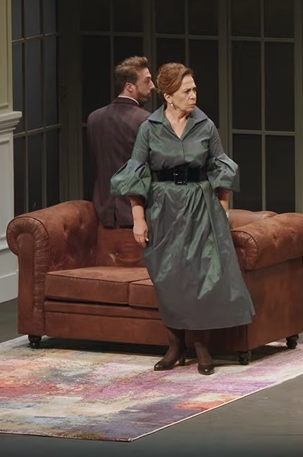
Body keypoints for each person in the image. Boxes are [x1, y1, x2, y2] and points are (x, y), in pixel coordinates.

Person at [111, 63, 254, 375]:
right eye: (186, 91)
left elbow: (220, 167)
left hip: (201, 207)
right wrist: (138, 217)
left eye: (194, 89)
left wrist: (223, 209)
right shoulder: (150, 128)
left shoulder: (205, 125)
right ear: (168, 96)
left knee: (201, 278)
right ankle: (175, 346)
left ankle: (201, 347)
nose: (193, 95)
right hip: (163, 209)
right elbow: (135, 172)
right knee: (169, 278)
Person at [87, 56, 153, 228]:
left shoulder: (94, 118)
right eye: (147, 81)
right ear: (129, 86)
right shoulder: (146, 121)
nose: (152, 86)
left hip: (102, 213)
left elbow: (95, 164)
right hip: (138, 216)